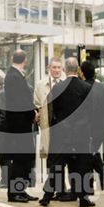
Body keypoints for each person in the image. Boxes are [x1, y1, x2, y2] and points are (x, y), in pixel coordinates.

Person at [42, 57, 94, 207]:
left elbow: (54, 111)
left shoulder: (57, 88)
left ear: (65, 69)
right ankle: (83, 198)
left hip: (62, 132)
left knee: (57, 165)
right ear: (77, 69)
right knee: (81, 165)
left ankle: (47, 196)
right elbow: (90, 112)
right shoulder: (86, 88)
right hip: (81, 132)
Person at [0, 51, 37, 202]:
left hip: (19, 125)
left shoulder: (13, 75)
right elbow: (21, 101)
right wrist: (32, 114)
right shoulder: (15, 76)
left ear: (11, 58)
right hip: (19, 126)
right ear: (25, 61)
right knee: (20, 160)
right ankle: (15, 192)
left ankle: (20, 190)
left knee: (24, 159)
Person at [35, 58, 68, 198]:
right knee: (51, 158)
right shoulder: (41, 85)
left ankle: (59, 188)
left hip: (64, 127)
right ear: (49, 68)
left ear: (63, 69)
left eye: (59, 68)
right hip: (48, 126)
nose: (56, 70)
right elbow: (36, 104)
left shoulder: (67, 84)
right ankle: (57, 188)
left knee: (61, 158)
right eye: (54, 67)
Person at [82, 60, 104, 195]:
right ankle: (102, 177)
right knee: (92, 153)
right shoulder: (103, 89)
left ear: (82, 73)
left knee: (87, 156)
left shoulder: (81, 87)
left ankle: (91, 184)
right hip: (100, 130)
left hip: (84, 129)